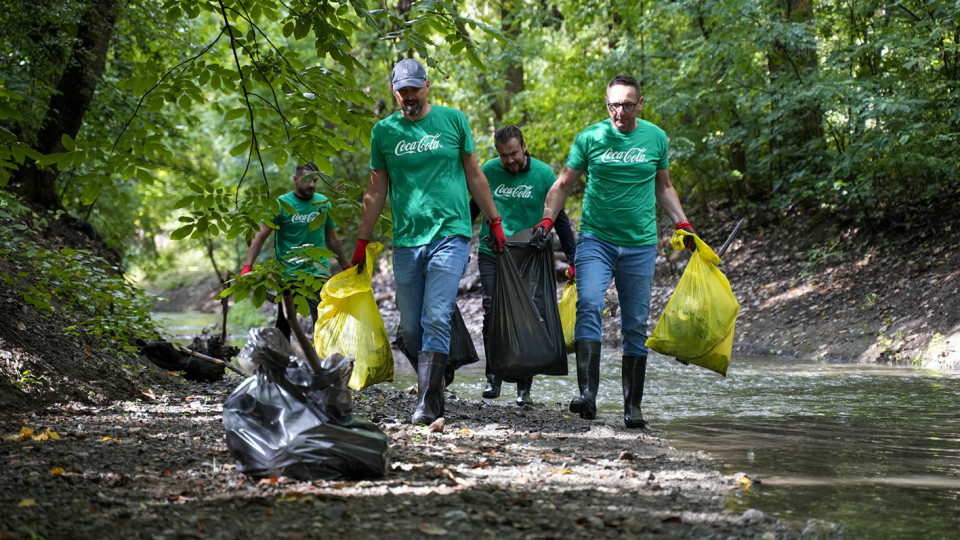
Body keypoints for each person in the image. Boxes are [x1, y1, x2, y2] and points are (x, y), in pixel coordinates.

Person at [353, 58, 505, 425]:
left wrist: (494, 219)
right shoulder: (384, 132)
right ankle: (435, 386)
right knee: (409, 326)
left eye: (414, 89)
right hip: (406, 239)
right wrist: (362, 240)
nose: (409, 97)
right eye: (402, 91)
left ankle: (425, 402)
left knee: (436, 314)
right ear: (394, 91)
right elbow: (376, 190)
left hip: (450, 232)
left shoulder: (453, 120)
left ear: (427, 86)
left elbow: (474, 174)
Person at [539, 75, 697, 429]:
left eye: (626, 104)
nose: (619, 111)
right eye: (613, 104)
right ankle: (588, 397)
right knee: (590, 303)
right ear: (606, 103)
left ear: (640, 104)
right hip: (596, 239)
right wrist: (547, 222)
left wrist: (682, 222)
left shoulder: (655, 138)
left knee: (635, 324)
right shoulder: (590, 138)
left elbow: (665, 186)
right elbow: (563, 183)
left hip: (640, 244)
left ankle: (632, 406)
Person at [470, 125, 577, 406]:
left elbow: (559, 217)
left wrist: (573, 258)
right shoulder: (489, 171)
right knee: (493, 310)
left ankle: (523, 387)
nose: (510, 160)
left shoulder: (542, 174)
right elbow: (472, 208)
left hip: (529, 255)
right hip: (493, 252)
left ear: (524, 146)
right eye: (504, 155)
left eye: (514, 153)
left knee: (528, 315)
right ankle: (493, 376)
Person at [241, 162, 350, 341]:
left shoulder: (323, 203)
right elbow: (260, 236)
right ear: (295, 179)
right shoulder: (280, 204)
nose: (312, 185)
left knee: (323, 324)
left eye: (315, 180)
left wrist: (346, 266)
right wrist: (247, 267)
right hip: (289, 274)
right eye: (307, 180)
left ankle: (325, 364)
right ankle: (283, 363)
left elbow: (332, 239)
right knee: (285, 323)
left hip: (318, 272)